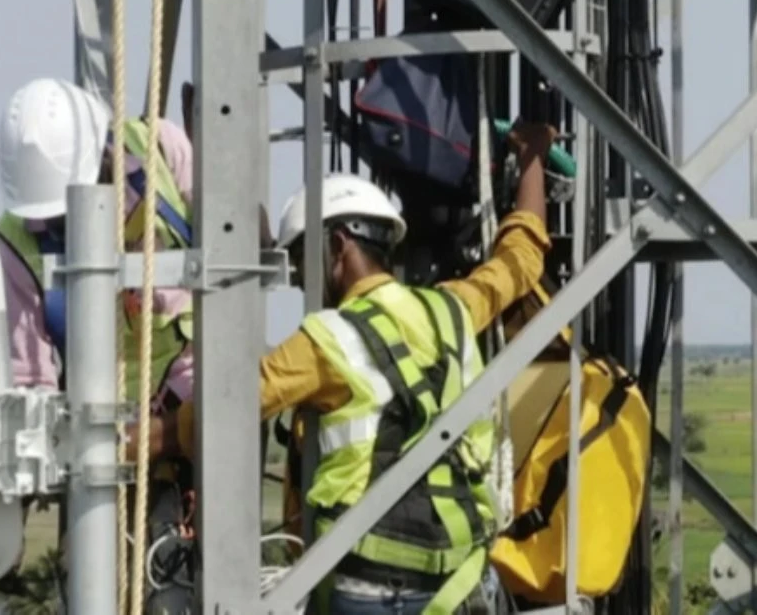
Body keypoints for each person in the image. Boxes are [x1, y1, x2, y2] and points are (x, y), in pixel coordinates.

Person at [134, 122, 556, 613]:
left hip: (374, 589)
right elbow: (521, 257)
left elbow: (218, 414)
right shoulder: (454, 310)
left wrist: (131, 442)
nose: (300, 284)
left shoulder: (325, 341)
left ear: (337, 247)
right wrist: (533, 159)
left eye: (301, 263)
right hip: (463, 582)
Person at [0, 77, 201, 608]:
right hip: (99, 440)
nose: (58, 221)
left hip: (194, 411)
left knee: (186, 584)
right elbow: (31, 379)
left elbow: (226, 248)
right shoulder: (16, 241)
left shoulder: (161, 150)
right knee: (96, 588)